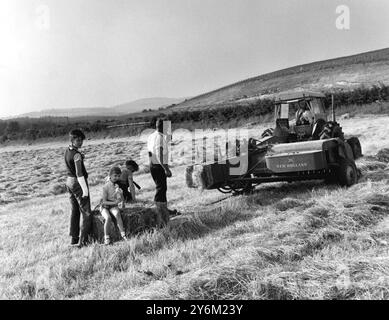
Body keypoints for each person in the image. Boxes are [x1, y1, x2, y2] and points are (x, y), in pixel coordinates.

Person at [64, 129, 92, 247]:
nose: (81, 142)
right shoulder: (76, 155)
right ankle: (83, 241)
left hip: (69, 181)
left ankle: (74, 239)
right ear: (72, 140)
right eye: (78, 140)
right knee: (86, 212)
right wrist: (85, 190)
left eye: (82, 140)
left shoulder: (68, 150)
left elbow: (71, 160)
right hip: (77, 182)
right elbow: (79, 174)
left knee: (75, 211)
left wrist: (80, 156)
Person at [147, 119, 177, 226]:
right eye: (167, 127)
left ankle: (164, 211)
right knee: (161, 188)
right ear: (163, 127)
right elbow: (159, 154)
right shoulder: (159, 138)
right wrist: (166, 169)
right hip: (158, 165)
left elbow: (151, 152)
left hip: (152, 163)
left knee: (161, 188)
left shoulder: (152, 136)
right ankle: (160, 213)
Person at [101, 166, 128, 245]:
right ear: (110, 175)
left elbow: (120, 199)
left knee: (117, 214)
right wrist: (115, 203)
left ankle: (123, 235)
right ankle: (107, 238)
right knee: (108, 218)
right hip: (105, 206)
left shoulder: (117, 186)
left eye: (118, 176)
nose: (117, 178)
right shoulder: (105, 186)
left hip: (113, 205)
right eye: (115, 176)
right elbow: (104, 202)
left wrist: (121, 195)